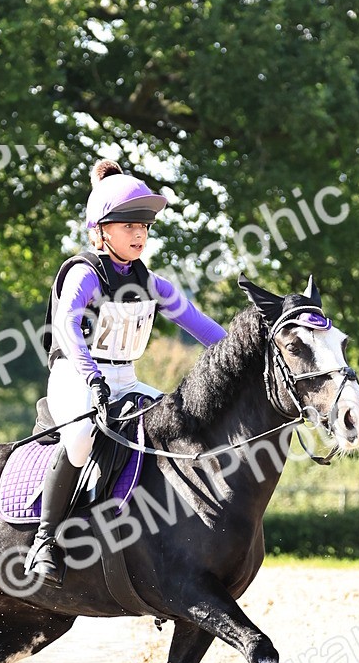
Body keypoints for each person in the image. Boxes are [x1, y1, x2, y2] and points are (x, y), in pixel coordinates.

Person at [25, 159, 227, 585]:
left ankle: (159, 545)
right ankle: (45, 539)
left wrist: (251, 353)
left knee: (181, 430)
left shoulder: (152, 283)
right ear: (101, 231)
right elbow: (67, 327)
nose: (139, 234)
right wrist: (92, 380)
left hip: (125, 379)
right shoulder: (84, 272)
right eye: (128, 225)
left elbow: (206, 329)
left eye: (145, 227)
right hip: (74, 376)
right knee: (80, 438)